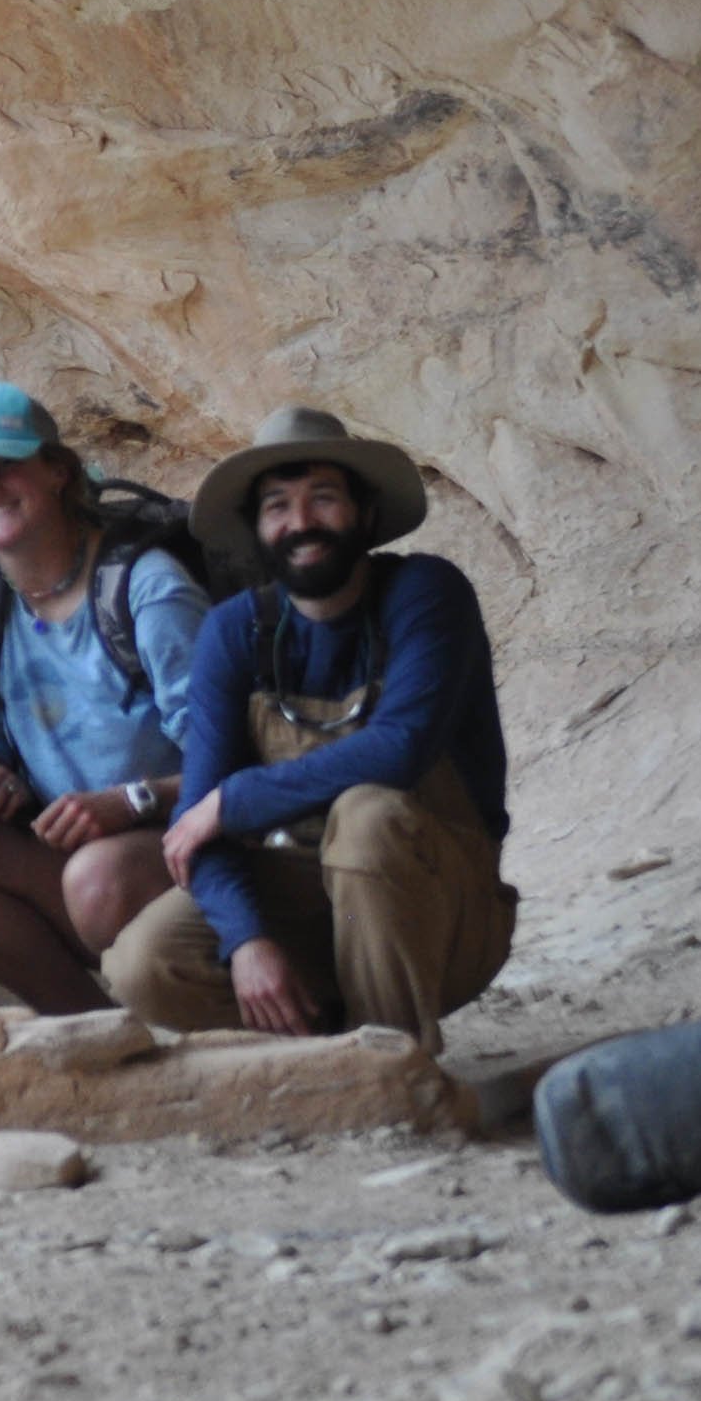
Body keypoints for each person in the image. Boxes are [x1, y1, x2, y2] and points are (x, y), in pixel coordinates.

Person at [105, 408, 515, 1047]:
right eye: (277, 508)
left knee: (368, 818)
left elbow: (399, 749)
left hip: (443, 905)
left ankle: (396, 1069)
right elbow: (196, 826)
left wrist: (236, 801)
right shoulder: (236, 630)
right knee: (143, 962)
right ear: (257, 530)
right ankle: (323, 1047)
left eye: (323, 499)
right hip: (309, 898)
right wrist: (246, 942)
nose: (300, 524)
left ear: (367, 514)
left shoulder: (426, 594)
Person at [0, 383, 206, 1015]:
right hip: (67, 838)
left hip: (175, 845)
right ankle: (91, 1026)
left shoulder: (147, 589)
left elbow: (230, 764)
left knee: (97, 881)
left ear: (58, 470)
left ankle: (187, 1011)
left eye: (6, 465)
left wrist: (130, 801)